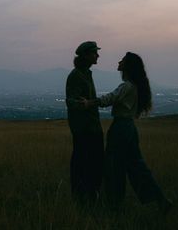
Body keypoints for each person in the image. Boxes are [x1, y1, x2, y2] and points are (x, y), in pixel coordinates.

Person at [83, 52, 172, 213]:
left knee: (114, 167)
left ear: (128, 65)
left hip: (120, 129)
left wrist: (89, 103)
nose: (119, 61)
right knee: (137, 166)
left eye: (122, 60)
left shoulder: (127, 86)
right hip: (130, 128)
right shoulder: (135, 86)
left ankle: (114, 205)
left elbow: (109, 99)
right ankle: (160, 200)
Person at [66, 41, 104, 203]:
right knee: (84, 165)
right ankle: (83, 198)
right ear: (87, 55)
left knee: (93, 165)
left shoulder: (85, 73)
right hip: (85, 130)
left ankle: (89, 196)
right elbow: (72, 102)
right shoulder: (77, 75)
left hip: (92, 128)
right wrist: (85, 105)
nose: (98, 55)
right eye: (95, 52)